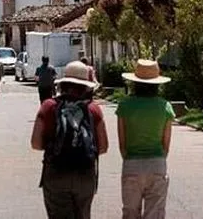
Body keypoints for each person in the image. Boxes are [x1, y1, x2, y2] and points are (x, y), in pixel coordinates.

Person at [31, 60, 109, 219]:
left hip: (56, 172)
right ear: (86, 85)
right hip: (85, 173)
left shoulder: (48, 106)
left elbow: (35, 143)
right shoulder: (93, 109)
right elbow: (103, 147)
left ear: (63, 83)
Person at [117, 59, 175, 219]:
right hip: (157, 162)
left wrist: (130, 159)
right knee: (155, 213)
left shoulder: (124, 105)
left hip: (132, 163)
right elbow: (166, 144)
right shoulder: (165, 107)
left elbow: (122, 143)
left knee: (130, 213)